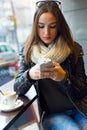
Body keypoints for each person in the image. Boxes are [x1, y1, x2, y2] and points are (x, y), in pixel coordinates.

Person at [14, 1, 87, 130]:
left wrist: (64, 78)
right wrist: (29, 75)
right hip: (52, 115)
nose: (46, 32)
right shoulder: (28, 51)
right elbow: (17, 88)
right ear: (35, 27)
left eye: (52, 26)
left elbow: (82, 91)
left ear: (60, 26)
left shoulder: (73, 49)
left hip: (79, 109)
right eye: (41, 26)